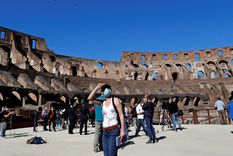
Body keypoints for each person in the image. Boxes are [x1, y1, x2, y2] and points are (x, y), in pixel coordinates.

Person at [88, 83, 106, 152]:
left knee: (97, 134)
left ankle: (96, 148)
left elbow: (89, 98)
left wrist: (96, 88)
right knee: (103, 134)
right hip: (105, 119)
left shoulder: (97, 99)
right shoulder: (106, 99)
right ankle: (102, 146)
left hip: (97, 119)